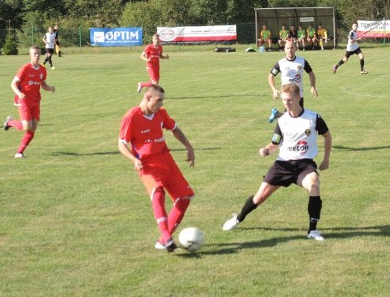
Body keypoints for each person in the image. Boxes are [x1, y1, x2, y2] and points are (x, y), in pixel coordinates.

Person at [222, 84, 332, 241]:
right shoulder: (282, 121)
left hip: (304, 165)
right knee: (259, 198)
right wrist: (266, 150)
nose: (286, 103)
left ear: (298, 98)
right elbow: (274, 144)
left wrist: (326, 159)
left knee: (314, 184)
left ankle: (313, 231)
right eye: (284, 100)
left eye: (289, 100)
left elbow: (328, 136)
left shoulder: (313, 118)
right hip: (283, 165)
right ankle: (238, 218)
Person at [118, 84, 195, 252]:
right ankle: (167, 237)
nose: (161, 105)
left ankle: (163, 240)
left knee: (184, 198)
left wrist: (189, 147)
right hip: (147, 164)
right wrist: (133, 159)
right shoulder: (131, 116)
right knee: (158, 194)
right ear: (147, 98)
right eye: (158, 101)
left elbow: (175, 129)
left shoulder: (160, 113)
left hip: (166, 160)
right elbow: (121, 144)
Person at [3, 45, 56, 158]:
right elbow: (13, 84)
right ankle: (9, 122)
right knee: (27, 126)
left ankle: (19, 152)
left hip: (36, 101)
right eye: (34, 54)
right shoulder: (25, 68)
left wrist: (50, 88)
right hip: (24, 100)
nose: (37, 55)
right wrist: (19, 93)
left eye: (38, 53)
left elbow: (43, 84)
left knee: (33, 128)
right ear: (30, 55)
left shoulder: (42, 69)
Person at [268, 39, 318, 122]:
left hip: (299, 94)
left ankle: (277, 115)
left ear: (295, 49)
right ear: (284, 49)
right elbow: (271, 76)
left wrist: (313, 87)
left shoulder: (302, 61)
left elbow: (311, 74)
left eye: (292, 48)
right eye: (287, 48)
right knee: (294, 117)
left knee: (295, 116)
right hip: (287, 94)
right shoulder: (281, 63)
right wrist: (274, 90)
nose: (290, 50)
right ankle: (280, 127)